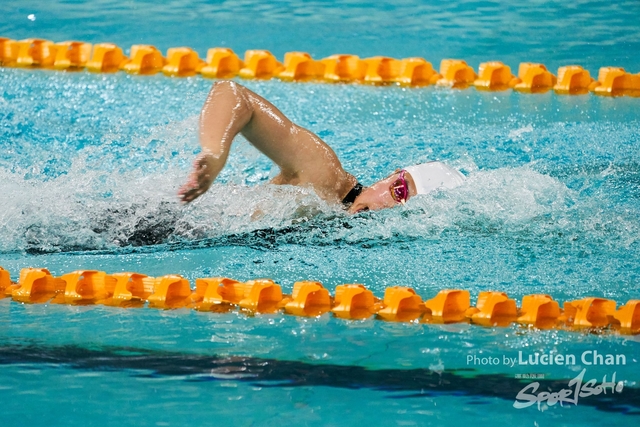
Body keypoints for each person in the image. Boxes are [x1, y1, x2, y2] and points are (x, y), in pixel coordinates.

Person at [178, 81, 465, 213]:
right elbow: (233, 93)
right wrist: (215, 153)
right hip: (170, 219)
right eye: (399, 191)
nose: (390, 207)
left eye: (404, 207)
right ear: (389, 177)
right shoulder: (325, 175)